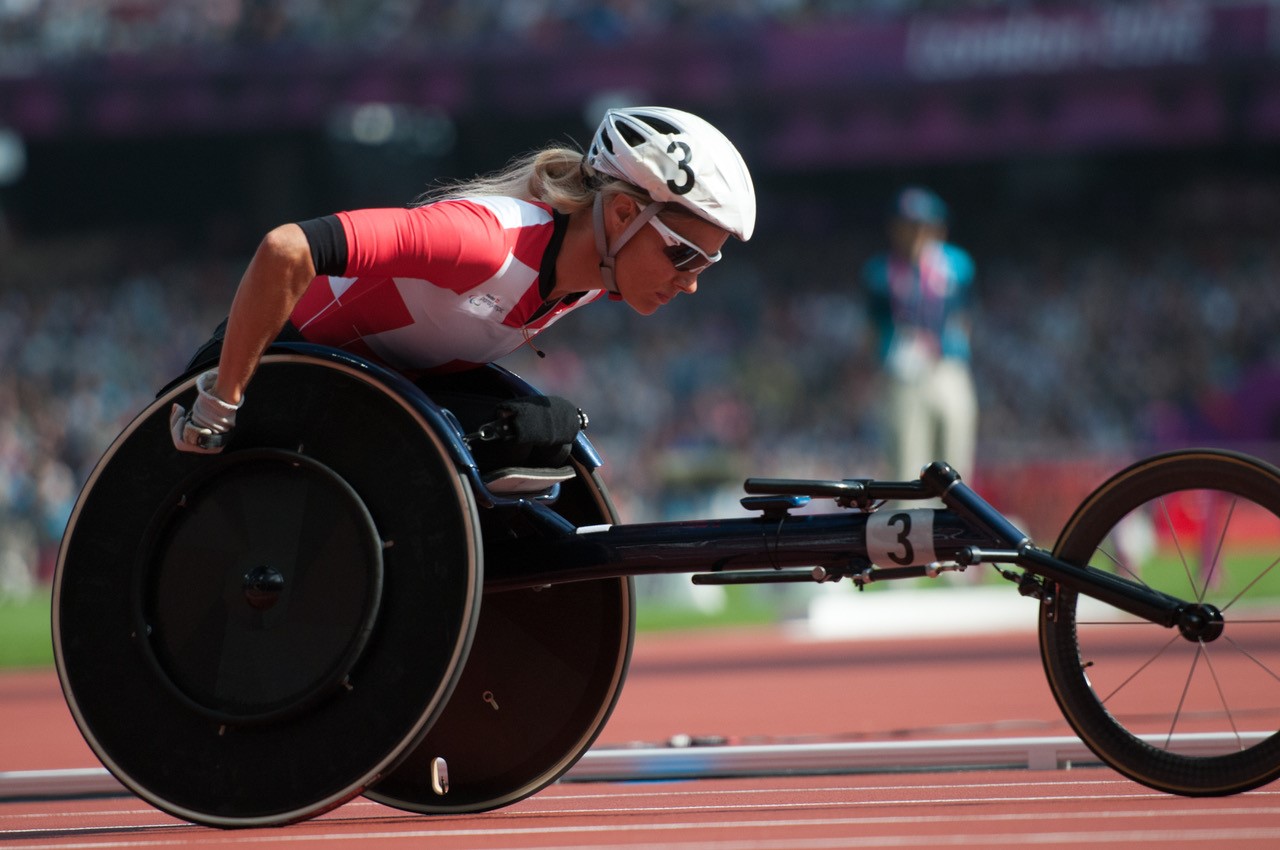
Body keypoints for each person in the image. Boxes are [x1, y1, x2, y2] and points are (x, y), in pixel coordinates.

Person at [169, 106, 755, 453]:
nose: (692, 283)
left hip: (367, 395)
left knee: (546, 434)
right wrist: (221, 403)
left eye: (708, 264)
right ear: (624, 213)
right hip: (259, 376)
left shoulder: (599, 276)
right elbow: (286, 247)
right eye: (685, 257)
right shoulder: (482, 240)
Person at [861, 186, 977, 483]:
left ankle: (953, 528)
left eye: (923, 225)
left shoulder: (956, 265)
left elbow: (964, 316)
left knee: (955, 461)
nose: (917, 233)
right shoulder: (880, 271)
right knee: (906, 463)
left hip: (947, 366)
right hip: (903, 372)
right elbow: (873, 328)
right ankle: (911, 526)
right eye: (909, 225)